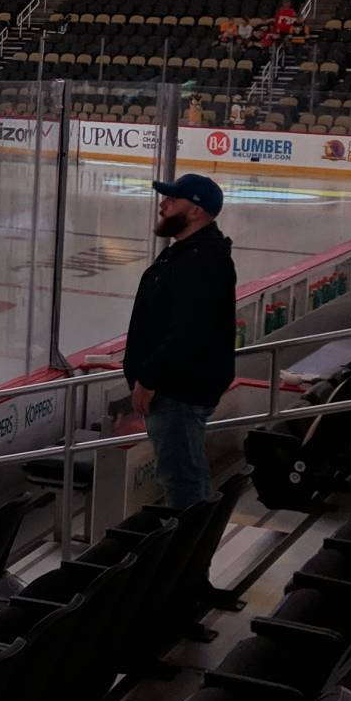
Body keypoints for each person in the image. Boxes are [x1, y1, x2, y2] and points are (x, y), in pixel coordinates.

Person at [122, 175, 238, 513]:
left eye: (173, 199)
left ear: (196, 211)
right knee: (182, 476)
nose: (163, 204)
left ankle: (189, 559)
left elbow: (188, 331)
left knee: (183, 481)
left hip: (176, 392)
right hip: (176, 388)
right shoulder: (190, 253)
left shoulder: (201, 260)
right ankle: (189, 554)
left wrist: (150, 378)